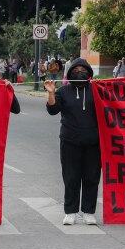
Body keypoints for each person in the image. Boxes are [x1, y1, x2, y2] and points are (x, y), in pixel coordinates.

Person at [45, 59, 102, 225]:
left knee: (92, 178)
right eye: (75, 69)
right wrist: (50, 93)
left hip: (93, 142)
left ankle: (88, 212)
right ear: (70, 73)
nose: (79, 72)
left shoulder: (96, 90)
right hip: (70, 142)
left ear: (89, 73)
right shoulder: (63, 91)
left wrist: (104, 87)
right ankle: (70, 212)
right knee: (71, 178)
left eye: (82, 69)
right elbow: (53, 110)